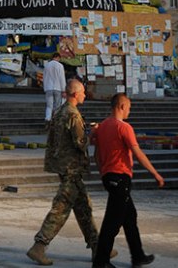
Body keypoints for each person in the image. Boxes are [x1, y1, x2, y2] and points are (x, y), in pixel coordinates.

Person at [27, 79, 100, 266]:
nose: (85, 95)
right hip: (71, 168)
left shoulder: (59, 111)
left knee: (84, 206)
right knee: (61, 208)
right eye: (83, 92)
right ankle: (39, 245)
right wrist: (92, 134)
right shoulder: (73, 114)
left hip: (62, 165)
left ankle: (97, 247)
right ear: (75, 94)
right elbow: (80, 142)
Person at [91, 93, 164, 268]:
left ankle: (138, 256)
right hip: (120, 177)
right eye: (129, 107)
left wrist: (103, 172)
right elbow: (138, 153)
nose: (129, 111)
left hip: (109, 177)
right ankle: (101, 262)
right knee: (112, 222)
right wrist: (155, 174)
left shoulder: (102, 127)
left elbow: (96, 154)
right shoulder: (123, 127)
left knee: (129, 217)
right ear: (122, 106)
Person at [42, 52, 66, 127]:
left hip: (48, 88)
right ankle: (56, 120)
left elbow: (44, 77)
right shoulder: (60, 66)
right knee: (57, 106)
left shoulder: (47, 65)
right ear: (58, 57)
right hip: (57, 88)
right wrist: (64, 89)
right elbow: (62, 78)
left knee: (49, 105)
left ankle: (48, 119)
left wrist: (45, 88)